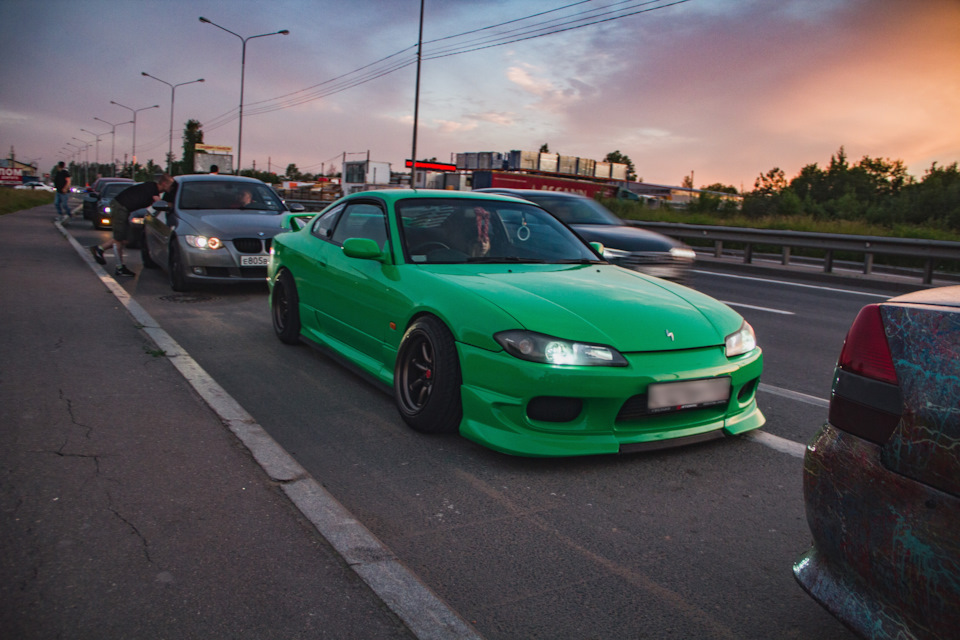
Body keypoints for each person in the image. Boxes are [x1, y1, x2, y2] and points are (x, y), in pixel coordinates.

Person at [89, 174, 174, 277]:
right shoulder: (153, 188)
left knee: (126, 239)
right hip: (120, 207)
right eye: (171, 185)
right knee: (119, 238)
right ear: (164, 183)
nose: (171, 187)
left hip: (123, 208)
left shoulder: (151, 187)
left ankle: (100, 249)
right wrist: (172, 205)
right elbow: (160, 203)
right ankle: (120, 268)